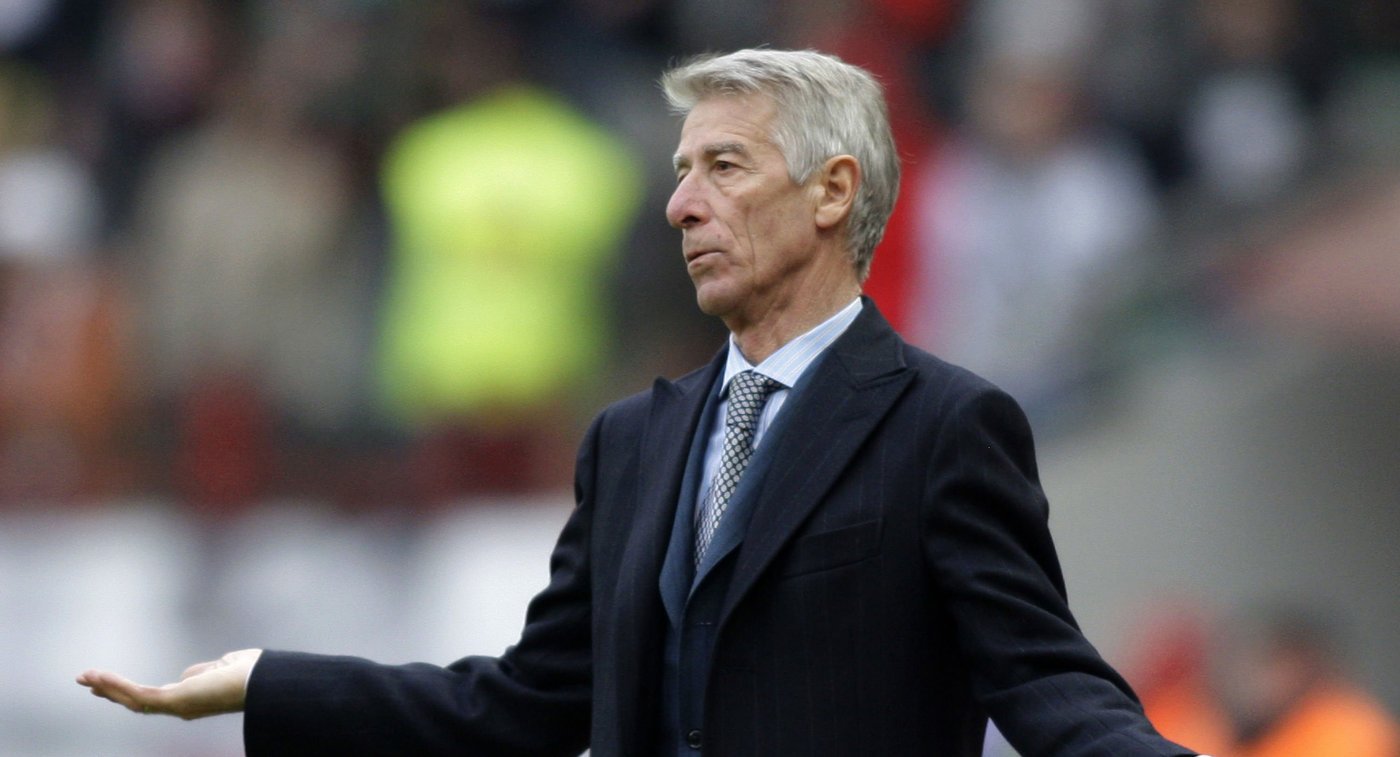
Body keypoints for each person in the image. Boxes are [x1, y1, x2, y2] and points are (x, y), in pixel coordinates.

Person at [78, 49, 1203, 757]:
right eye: (679, 172)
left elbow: (1043, 678)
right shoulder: (630, 440)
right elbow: (527, 704)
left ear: (832, 192)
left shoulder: (945, 425)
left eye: (723, 168)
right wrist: (266, 683)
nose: (679, 206)